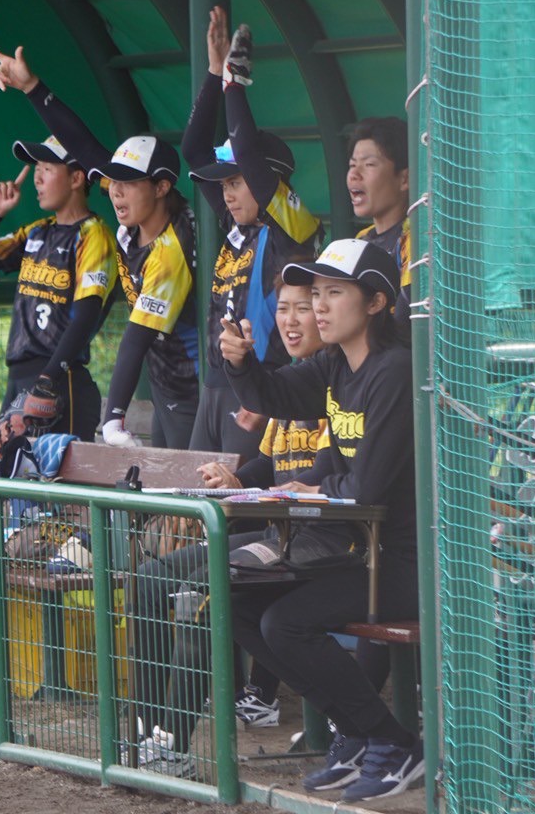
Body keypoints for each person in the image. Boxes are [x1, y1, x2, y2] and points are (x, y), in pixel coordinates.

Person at [219, 237, 422, 802]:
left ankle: (393, 742)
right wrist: (239, 362)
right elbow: (275, 394)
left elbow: (367, 488)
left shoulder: (394, 370)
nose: (319, 307)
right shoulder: (335, 362)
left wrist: (314, 488)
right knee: (237, 597)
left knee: (286, 623)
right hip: (357, 551)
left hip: (404, 562)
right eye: (316, 294)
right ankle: (360, 734)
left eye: (334, 293)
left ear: (376, 303)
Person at [130, 269, 340, 775]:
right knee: (149, 579)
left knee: (204, 588)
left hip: (319, 541)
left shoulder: (341, 382)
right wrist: (236, 478)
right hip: (276, 533)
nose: (291, 320)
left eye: (304, 307)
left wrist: (260, 491)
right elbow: (273, 462)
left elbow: (322, 475)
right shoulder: (289, 382)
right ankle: (144, 731)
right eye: (283, 308)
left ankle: (172, 747)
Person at [0, 43, 199, 448]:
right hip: (165, 382)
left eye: (128, 183)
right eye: (113, 181)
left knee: (185, 483)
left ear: (161, 187)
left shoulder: (171, 250)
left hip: (194, 387)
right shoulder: (137, 211)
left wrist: (112, 420)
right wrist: (31, 87)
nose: (115, 191)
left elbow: (135, 338)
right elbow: (83, 146)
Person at [181, 10, 321, 459]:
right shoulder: (235, 224)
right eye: (224, 184)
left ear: (267, 182)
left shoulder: (293, 229)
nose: (226, 193)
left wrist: (234, 86)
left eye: (236, 182)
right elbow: (193, 152)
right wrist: (212, 72)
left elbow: (250, 161)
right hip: (215, 386)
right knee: (192, 499)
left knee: (242, 499)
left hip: (261, 389)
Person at [0, 136, 116, 440]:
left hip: (58, 379)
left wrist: (48, 379)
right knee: (3, 464)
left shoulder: (93, 235)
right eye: (37, 169)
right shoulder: (37, 231)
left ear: (76, 179)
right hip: (20, 376)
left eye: (47, 169)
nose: (37, 179)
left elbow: (86, 317)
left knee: (54, 470)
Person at [346, 116, 412, 316]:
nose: (354, 174)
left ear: (405, 179)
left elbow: (403, 319)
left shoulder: (415, 238)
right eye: (352, 165)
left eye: (369, 164)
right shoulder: (361, 239)